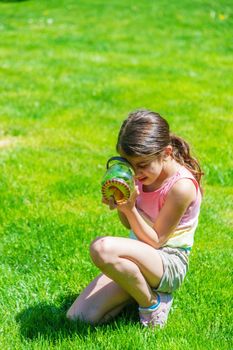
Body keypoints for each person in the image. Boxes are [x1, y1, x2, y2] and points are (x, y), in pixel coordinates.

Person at [66, 109, 203, 327]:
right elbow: (129, 225)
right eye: (130, 164)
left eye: (142, 165)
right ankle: (135, 287)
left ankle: (152, 303)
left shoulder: (181, 186)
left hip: (168, 263)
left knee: (102, 249)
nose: (136, 173)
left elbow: (156, 240)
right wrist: (122, 205)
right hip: (138, 256)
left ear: (166, 153)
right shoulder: (139, 173)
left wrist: (130, 209)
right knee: (79, 318)